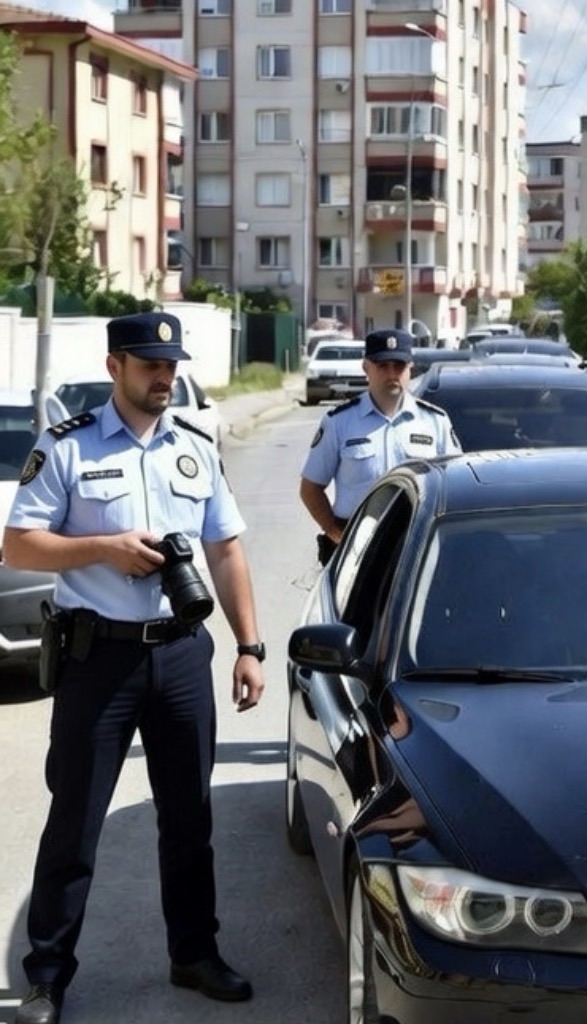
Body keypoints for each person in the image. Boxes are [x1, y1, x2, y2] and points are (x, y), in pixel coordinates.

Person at [5, 312, 267, 1024]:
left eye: (171, 365)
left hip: (180, 656)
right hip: (99, 658)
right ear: (115, 365)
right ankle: (46, 978)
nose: (164, 377)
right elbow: (19, 545)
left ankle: (195, 953)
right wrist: (104, 548)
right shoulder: (68, 445)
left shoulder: (195, 447)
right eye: (150, 364)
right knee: (75, 824)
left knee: (189, 819)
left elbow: (226, 549)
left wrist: (249, 646)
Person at [299, 327, 460, 564]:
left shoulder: (435, 422)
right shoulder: (339, 422)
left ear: (410, 368)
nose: (392, 374)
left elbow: (455, 486)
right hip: (355, 548)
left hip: (417, 544)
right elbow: (310, 488)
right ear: (366, 368)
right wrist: (334, 532)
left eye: (399, 366)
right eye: (382, 366)